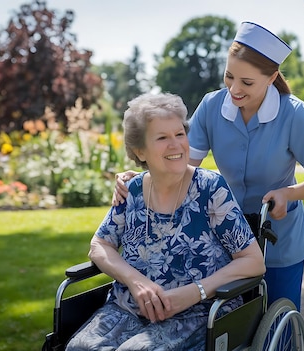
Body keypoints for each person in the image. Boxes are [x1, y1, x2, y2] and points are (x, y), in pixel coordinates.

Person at [113, 22, 304, 312]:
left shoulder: (293, 114)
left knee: (277, 318)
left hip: (279, 238)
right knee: (231, 323)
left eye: (247, 82)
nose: (234, 88)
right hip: (228, 237)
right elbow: (179, 165)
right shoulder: (212, 106)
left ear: (270, 78)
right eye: (229, 76)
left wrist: (288, 193)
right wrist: (140, 178)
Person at [66, 93, 265, 351]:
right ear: (140, 151)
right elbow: (100, 244)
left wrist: (196, 292)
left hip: (198, 313)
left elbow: (253, 261)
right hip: (128, 307)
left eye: (179, 134)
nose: (176, 145)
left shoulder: (210, 189)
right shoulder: (132, 189)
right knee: (79, 348)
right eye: (162, 138)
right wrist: (135, 281)